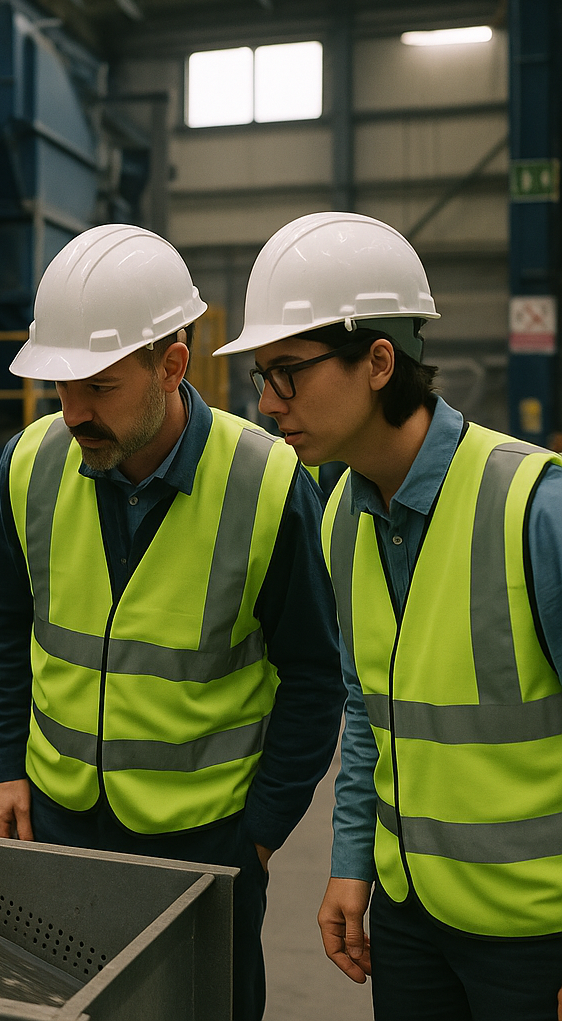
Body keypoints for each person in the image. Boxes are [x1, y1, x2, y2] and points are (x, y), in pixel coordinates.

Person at [0, 223, 345, 1021]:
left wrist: (262, 831)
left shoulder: (266, 482)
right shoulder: (29, 464)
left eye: (99, 386)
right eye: (59, 388)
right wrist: (8, 763)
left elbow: (315, 676)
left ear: (171, 365)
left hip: (207, 842)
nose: (73, 413)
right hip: (58, 822)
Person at [215, 210, 562, 1021]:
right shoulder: (342, 517)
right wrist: (352, 865)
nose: (268, 405)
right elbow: (368, 712)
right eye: (261, 379)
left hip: (535, 935)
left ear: (378, 361)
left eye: (288, 373)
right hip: (410, 921)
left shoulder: (533, 512)